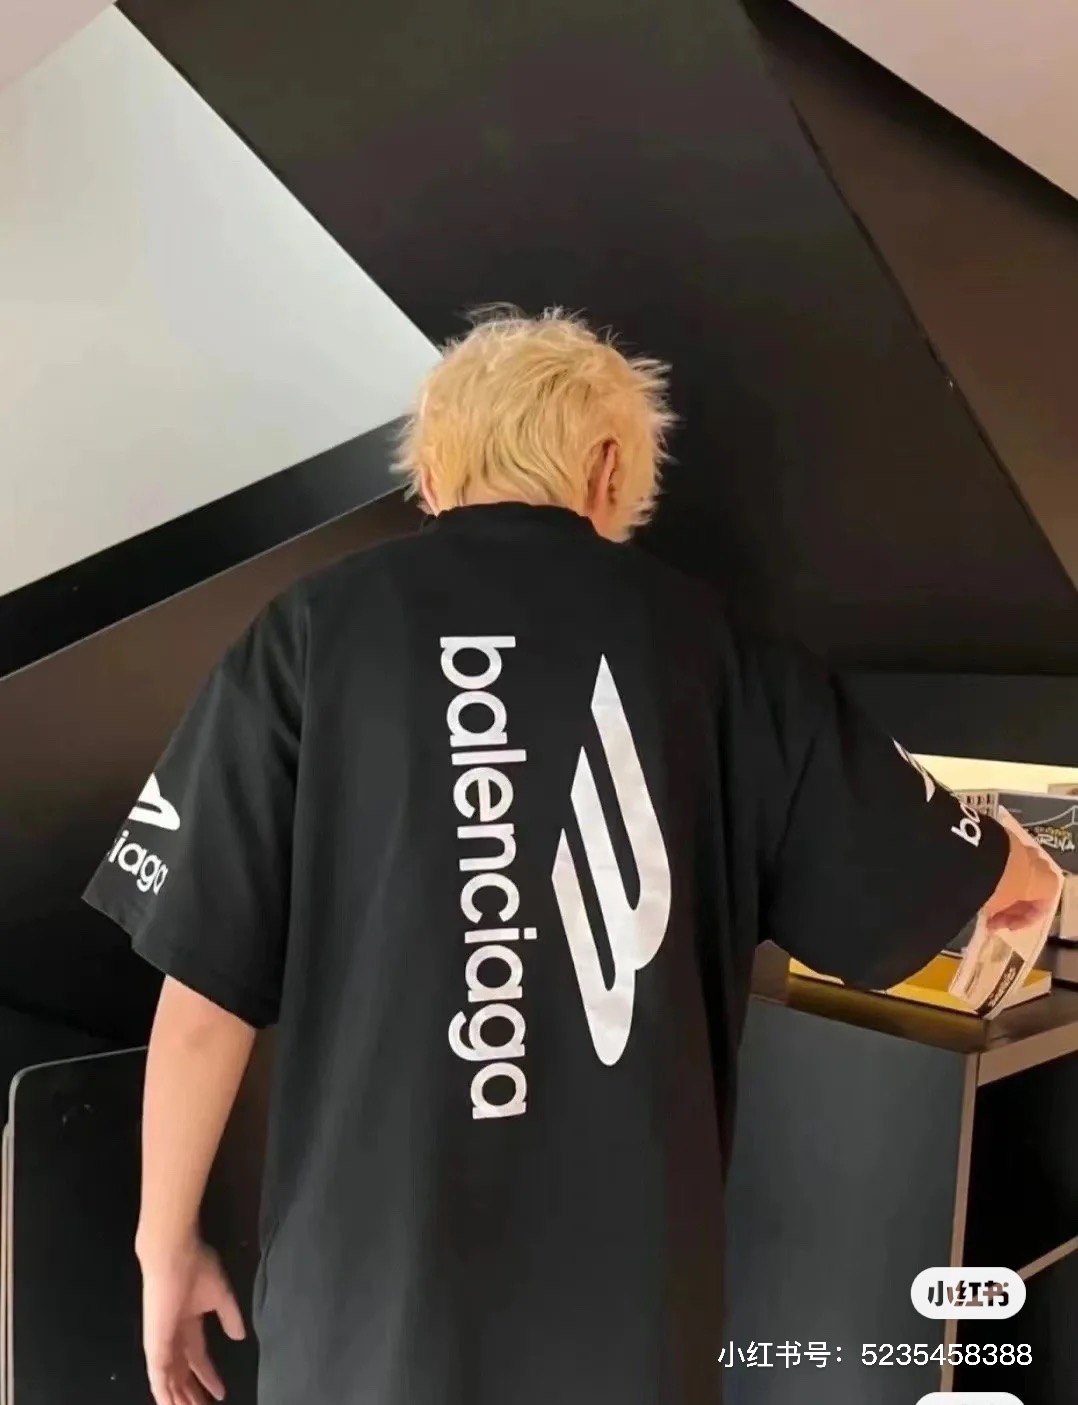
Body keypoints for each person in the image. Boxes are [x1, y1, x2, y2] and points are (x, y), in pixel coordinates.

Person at [83, 308, 1057, 1405]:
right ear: (606, 470)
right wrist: (1023, 869)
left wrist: (164, 1247)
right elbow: (917, 872)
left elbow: (203, 995)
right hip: (624, 1318)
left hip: (369, 1309)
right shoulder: (719, 647)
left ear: (434, 475)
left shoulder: (307, 633)